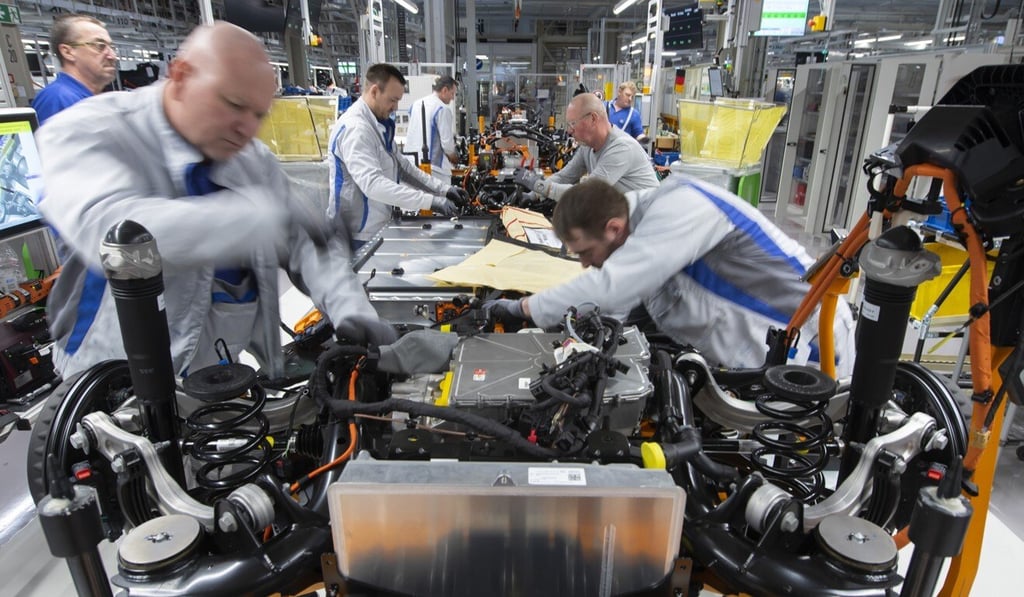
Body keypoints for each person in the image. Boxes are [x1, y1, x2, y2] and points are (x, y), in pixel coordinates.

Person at [36, 22, 394, 380]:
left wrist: (351, 310)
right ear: (180, 76)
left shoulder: (251, 159)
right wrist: (262, 222)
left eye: (259, 115)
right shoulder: (88, 130)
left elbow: (308, 246)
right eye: (234, 105)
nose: (247, 129)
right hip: (114, 381)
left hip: (218, 375)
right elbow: (114, 239)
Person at [485, 178, 855, 376]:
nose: (584, 264)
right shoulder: (640, 235)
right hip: (754, 359)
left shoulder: (683, 207)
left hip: (811, 350)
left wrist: (522, 308)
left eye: (585, 253)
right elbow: (620, 311)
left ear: (613, 228)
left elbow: (612, 289)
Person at [328, 63, 468, 249]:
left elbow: (403, 167)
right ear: (375, 91)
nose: (396, 107)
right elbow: (373, 185)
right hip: (354, 234)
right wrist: (431, 202)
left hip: (375, 227)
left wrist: (444, 190)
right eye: (393, 100)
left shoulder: (379, 125)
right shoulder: (357, 130)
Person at [512, 92, 658, 201]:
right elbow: (565, 177)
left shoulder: (621, 148)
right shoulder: (587, 147)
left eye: (573, 123)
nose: (569, 130)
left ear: (593, 119)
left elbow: (586, 193)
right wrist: (532, 196)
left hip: (647, 224)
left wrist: (537, 185)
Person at [31, 14, 118, 124]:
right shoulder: (58, 99)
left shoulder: (87, 98)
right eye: (100, 46)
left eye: (111, 47)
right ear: (68, 52)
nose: (112, 56)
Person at [405, 74, 459, 184]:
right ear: (444, 90)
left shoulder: (416, 104)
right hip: (433, 169)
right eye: (452, 94)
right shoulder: (442, 109)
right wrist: (455, 158)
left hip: (411, 163)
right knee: (442, 199)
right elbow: (447, 145)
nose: (453, 98)